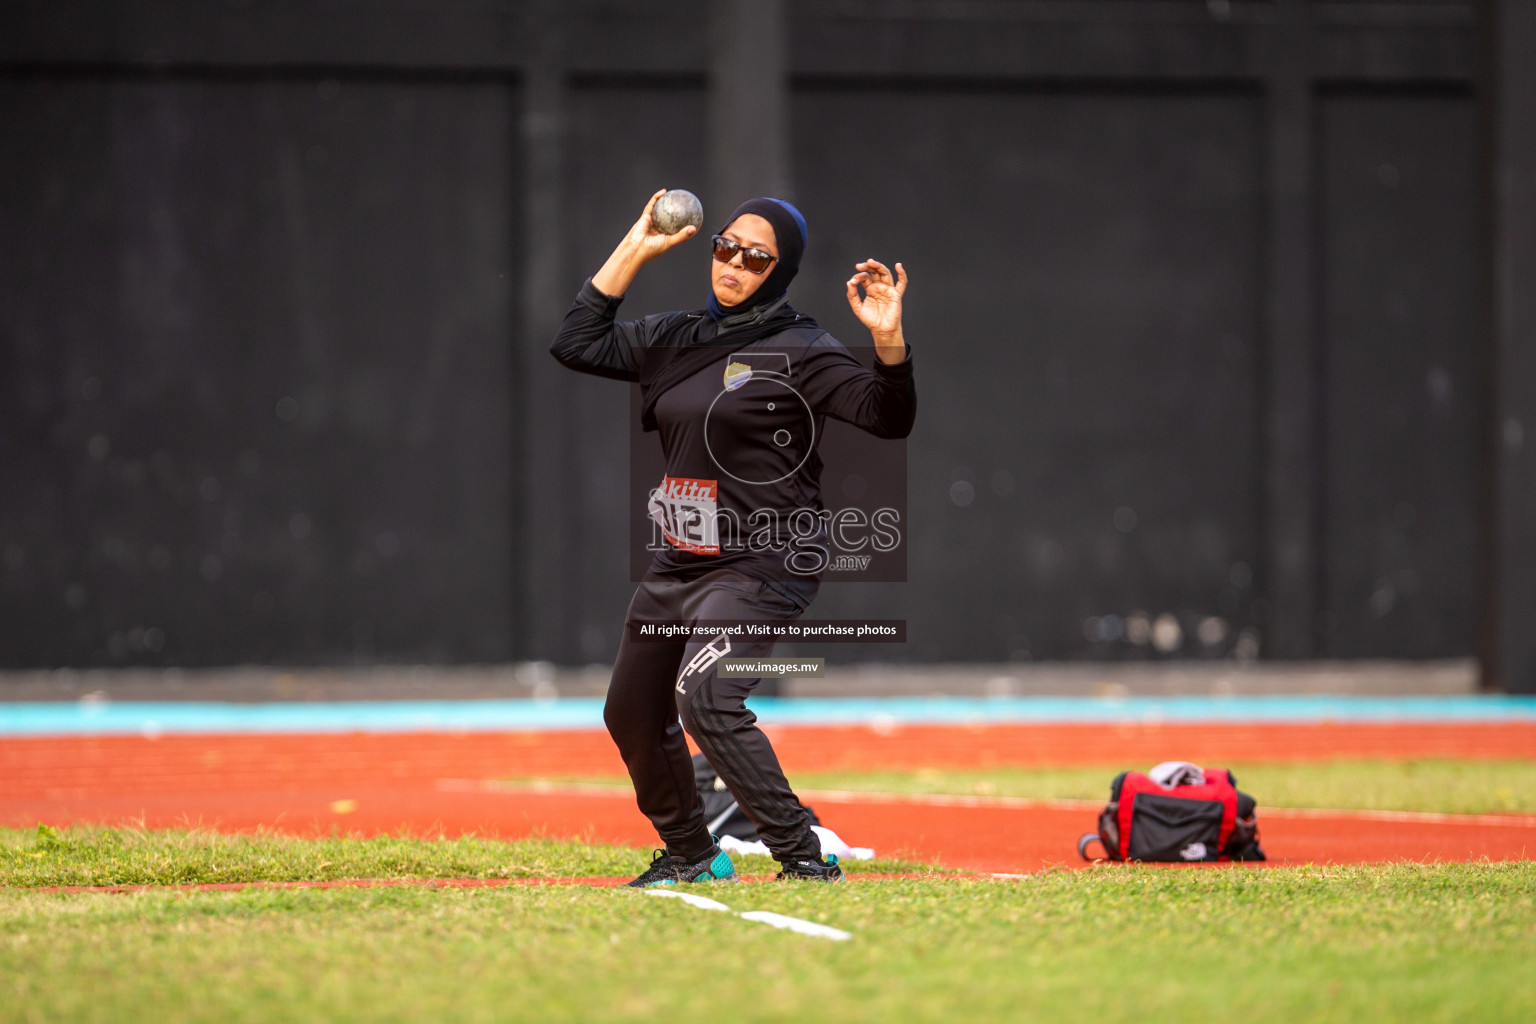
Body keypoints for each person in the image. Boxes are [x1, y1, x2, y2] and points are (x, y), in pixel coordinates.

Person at [550, 189, 916, 885]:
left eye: (755, 258)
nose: (734, 265)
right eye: (725, 247)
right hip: (679, 561)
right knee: (630, 711)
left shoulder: (803, 347)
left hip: (763, 562)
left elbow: (887, 417)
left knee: (708, 693)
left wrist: (888, 340)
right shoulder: (677, 337)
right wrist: (639, 244)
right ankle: (691, 854)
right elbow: (575, 341)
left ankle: (804, 860)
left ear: (779, 272)